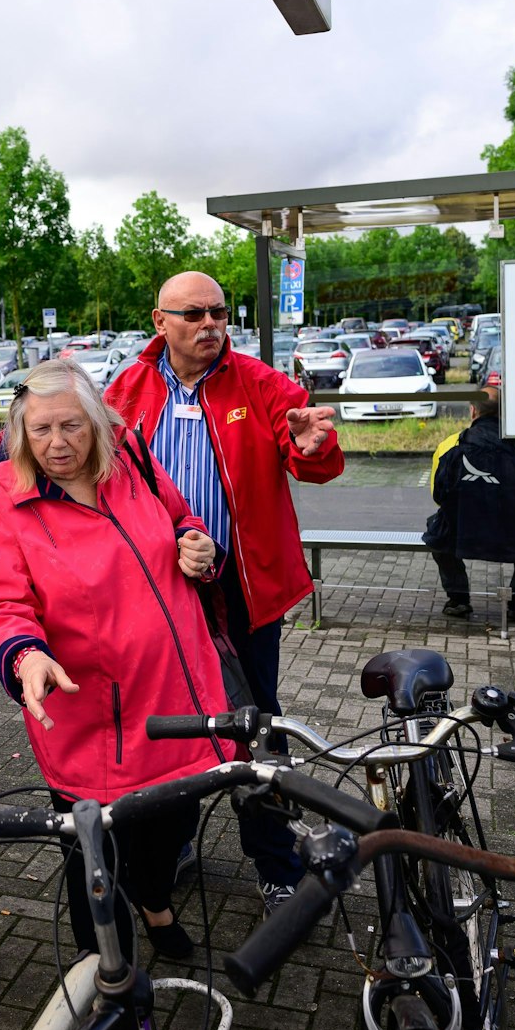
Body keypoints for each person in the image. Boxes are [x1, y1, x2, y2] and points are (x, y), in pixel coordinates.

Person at [0, 359, 225, 963]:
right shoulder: (7, 505)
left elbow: (181, 517)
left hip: (177, 698)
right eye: (42, 430)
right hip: (95, 720)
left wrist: (196, 544)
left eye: (73, 426)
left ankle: (155, 902)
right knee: (93, 856)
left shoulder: (132, 459)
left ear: (99, 424)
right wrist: (24, 656)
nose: (58, 444)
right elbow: (1, 602)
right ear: (19, 435)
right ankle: (101, 973)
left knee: (171, 825)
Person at [104, 271, 343, 914]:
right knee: (177, 725)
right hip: (161, 595)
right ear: (161, 322)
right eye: (194, 314)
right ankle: (176, 840)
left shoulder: (261, 384)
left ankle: (275, 860)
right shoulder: (126, 389)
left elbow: (312, 459)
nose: (211, 324)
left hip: (243, 591)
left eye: (218, 313)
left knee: (256, 721)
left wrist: (313, 445)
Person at [423, 386, 515, 623]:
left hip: (461, 534)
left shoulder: (450, 446)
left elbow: (438, 494)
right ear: (506, 412)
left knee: (436, 533)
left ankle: (458, 600)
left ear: (473, 410)